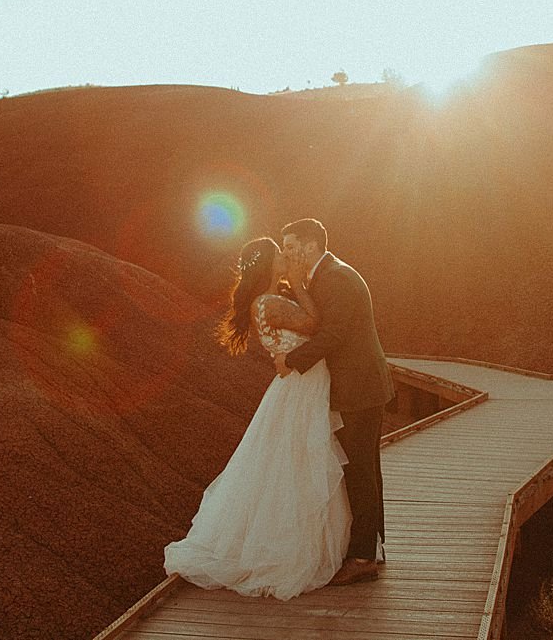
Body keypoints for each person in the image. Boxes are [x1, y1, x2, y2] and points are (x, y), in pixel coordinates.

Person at [163, 237, 352, 598]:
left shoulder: (267, 301)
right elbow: (313, 325)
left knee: (289, 462)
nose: (286, 257)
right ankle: (288, 549)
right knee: (297, 462)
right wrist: (298, 281)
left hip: (298, 384)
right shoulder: (269, 302)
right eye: (280, 254)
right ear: (268, 265)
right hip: (300, 387)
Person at [275, 217, 394, 587]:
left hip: (359, 388)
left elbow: (334, 334)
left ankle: (361, 559)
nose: (288, 253)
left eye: (292, 246)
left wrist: (291, 361)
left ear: (310, 246)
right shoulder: (325, 275)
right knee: (363, 468)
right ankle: (369, 546)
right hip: (359, 386)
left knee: (359, 470)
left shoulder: (336, 278)